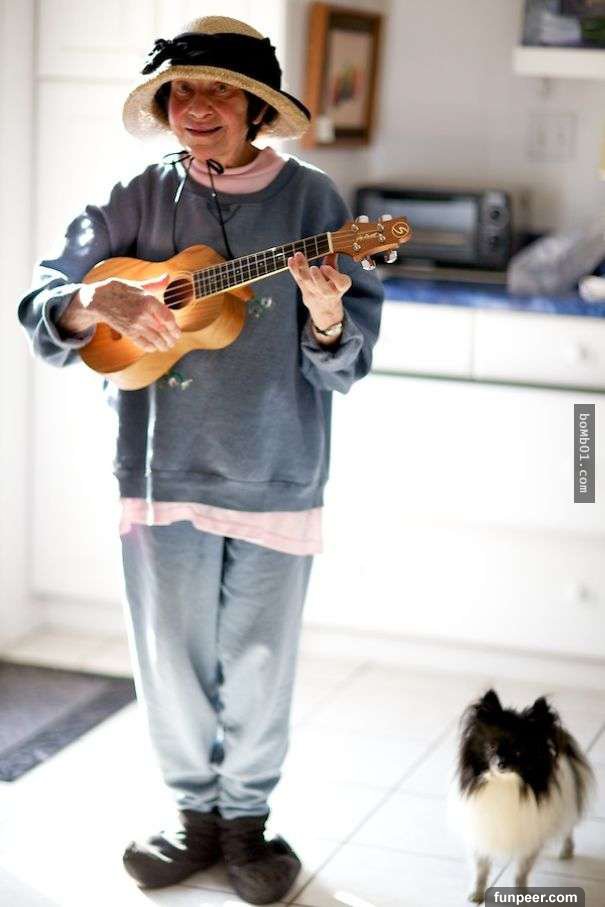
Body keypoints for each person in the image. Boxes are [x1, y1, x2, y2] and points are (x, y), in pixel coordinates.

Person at [17, 15, 384, 906]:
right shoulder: (135, 193)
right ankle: (193, 817)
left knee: (258, 656)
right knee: (169, 657)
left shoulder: (314, 204)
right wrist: (90, 300)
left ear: (256, 107)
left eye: (221, 89)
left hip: (276, 465)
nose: (198, 105)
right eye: (182, 89)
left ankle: (246, 822)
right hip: (158, 466)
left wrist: (325, 314)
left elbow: (346, 361)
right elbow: (42, 304)